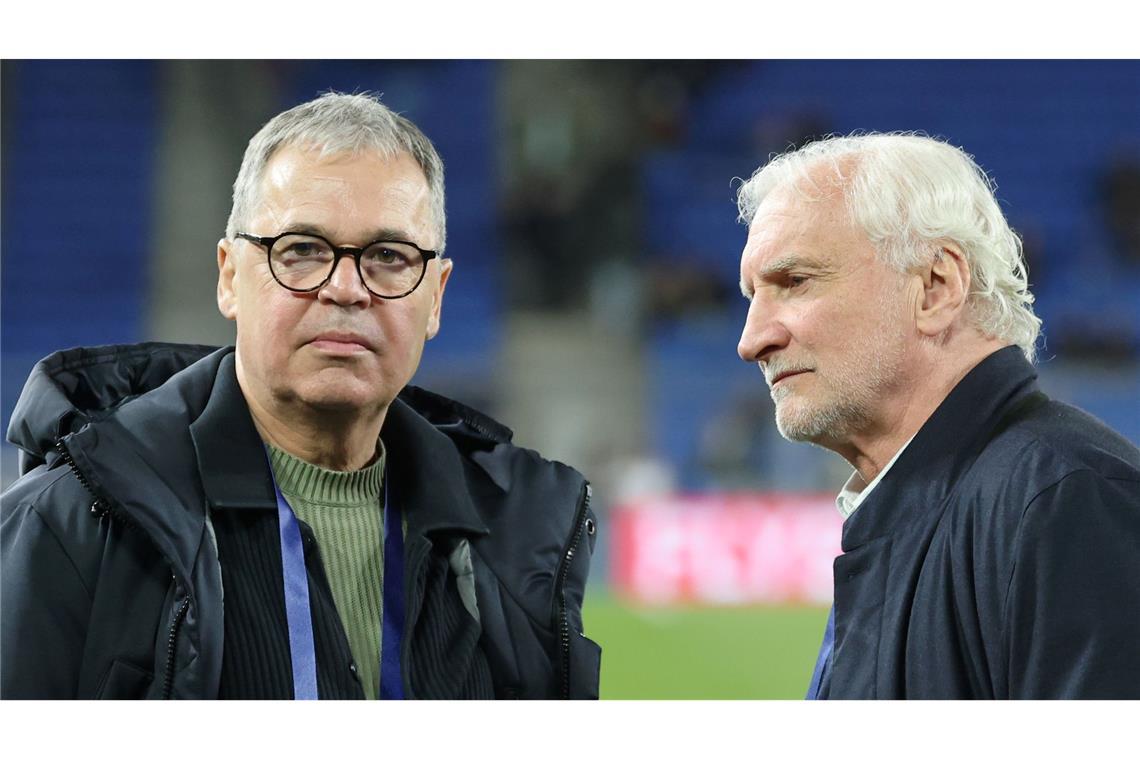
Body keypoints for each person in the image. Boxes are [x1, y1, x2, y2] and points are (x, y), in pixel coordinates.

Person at [1, 92, 601, 700]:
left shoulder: (518, 538)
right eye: (303, 250)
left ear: (436, 297)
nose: (346, 288)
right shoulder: (67, 523)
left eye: (388, 256)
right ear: (230, 276)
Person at [734, 132, 1140, 699]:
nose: (752, 341)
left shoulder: (1064, 503)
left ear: (935, 287)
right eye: (752, 295)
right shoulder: (914, 509)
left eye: (795, 282)